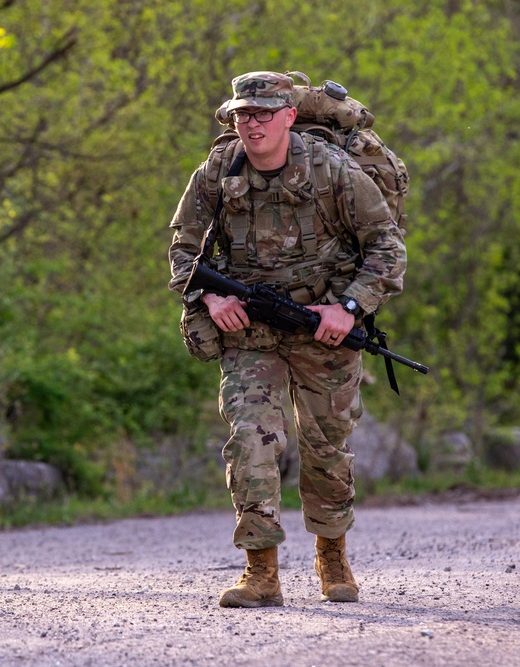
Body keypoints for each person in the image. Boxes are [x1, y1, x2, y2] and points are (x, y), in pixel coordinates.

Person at [168, 71, 406, 607]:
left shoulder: (334, 173)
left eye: (263, 113)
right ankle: (261, 572)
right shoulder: (215, 174)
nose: (250, 124)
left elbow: (387, 249)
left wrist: (348, 309)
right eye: (242, 114)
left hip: (323, 329)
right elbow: (183, 251)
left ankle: (332, 554)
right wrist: (211, 298)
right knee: (250, 439)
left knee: (325, 449)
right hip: (250, 333)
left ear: (289, 116)